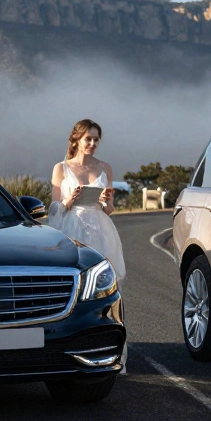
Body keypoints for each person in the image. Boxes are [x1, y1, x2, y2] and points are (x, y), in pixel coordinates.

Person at [47, 118, 127, 371]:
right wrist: (70, 199)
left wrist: (106, 201)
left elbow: (110, 210)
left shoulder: (105, 168)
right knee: (78, 289)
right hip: (73, 227)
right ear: (77, 140)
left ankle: (114, 355)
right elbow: (54, 210)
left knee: (107, 290)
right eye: (88, 139)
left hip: (102, 229)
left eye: (95, 139)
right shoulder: (61, 168)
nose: (92, 144)